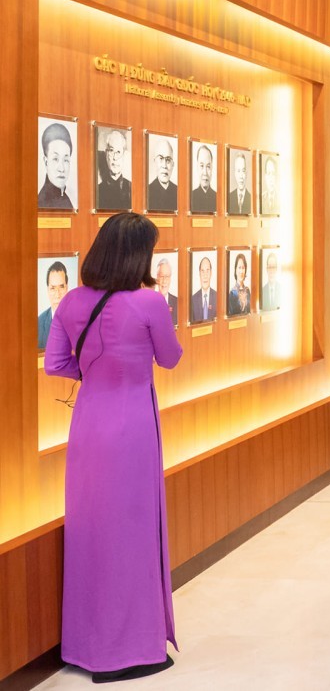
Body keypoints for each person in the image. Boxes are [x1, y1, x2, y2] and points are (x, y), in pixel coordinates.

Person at [44, 212, 182, 682]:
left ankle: (85, 646)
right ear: (137, 254)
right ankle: (131, 648)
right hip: (133, 427)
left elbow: (57, 364)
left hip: (87, 427)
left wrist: (96, 372)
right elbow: (170, 357)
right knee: (134, 534)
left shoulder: (70, 303)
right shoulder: (149, 303)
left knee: (91, 533)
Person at [38, 121, 75, 210]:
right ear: (46, 162)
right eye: (55, 159)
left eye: (66, 160)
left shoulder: (65, 198)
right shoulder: (42, 202)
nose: (61, 169)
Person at [38, 260, 70, 350]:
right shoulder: (38, 323)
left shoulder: (80, 318)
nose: (57, 294)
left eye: (61, 287)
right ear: (48, 290)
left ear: (67, 287)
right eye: (53, 288)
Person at [96, 129, 132, 211]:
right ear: (106, 154)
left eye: (118, 152)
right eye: (111, 151)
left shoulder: (131, 188)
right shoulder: (98, 191)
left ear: (124, 155)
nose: (115, 157)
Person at [146, 138, 178, 212]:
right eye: (161, 159)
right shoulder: (147, 191)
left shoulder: (178, 192)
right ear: (154, 162)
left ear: (173, 165)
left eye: (168, 160)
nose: (164, 165)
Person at [189, 256, 217, 323]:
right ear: (199, 273)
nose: (205, 275)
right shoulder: (193, 300)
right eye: (202, 271)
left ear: (211, 273)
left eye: (207, 271)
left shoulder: (218, 297)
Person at [190, 144, 217, 213]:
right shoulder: (191, 196)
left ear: (212, 168)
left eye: (208, 166)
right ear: (197, 167)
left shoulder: (217, 197)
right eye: (201, 166)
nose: (205, 172)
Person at [153, 257, 178, 326]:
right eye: (161, 276)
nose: (164, 281)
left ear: (170, 279)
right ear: (157, 278)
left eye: (167, 276)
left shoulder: (177, 302)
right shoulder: (150, 303)